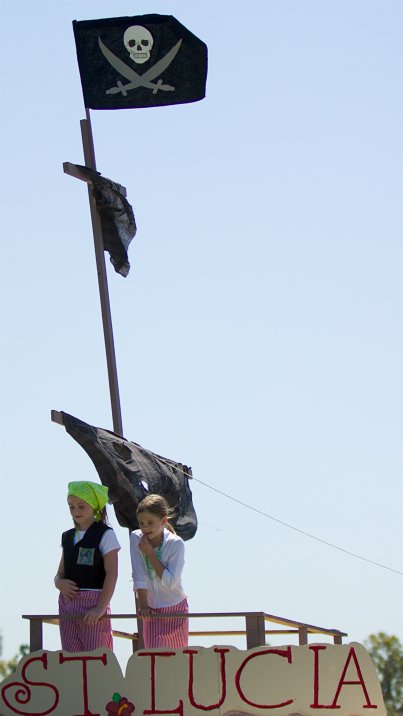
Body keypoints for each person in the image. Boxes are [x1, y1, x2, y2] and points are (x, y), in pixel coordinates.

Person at [54, 481, 120, 652]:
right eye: (71, 507)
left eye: (81, 506)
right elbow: (60, 573)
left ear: (94, 506)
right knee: (71, 658)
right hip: (67, 605)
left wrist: (100, 608)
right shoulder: (67, 536)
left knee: (97, 658)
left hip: (94, 605)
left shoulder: (105, 534)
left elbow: (112, 574)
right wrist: (59, 583)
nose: (76, 511)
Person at [130, 494, 188, 649]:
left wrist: (149, 553)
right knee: (154, 656)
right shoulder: (136, 538)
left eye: (150, 523)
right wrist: (143, 606)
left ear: (163, 521)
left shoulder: (176, 544)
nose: (145, 528)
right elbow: (139, 573)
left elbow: (170, 582)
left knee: (176, 659)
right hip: (151, 609)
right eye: (142, 523)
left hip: (175, 607)